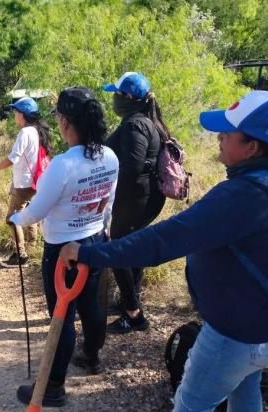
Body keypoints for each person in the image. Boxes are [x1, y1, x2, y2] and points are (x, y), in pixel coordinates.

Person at [59, 90, 268, 412]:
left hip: (236, 337)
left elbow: (163, 241)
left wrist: (90, 253)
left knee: (189, 411)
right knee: (245, 387)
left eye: (227, 133)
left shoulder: (242, 196)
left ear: (253, 147)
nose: (219, 138)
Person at [11, 87, 119, 406]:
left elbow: (37, 211)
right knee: (90, 305)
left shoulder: (63, 164)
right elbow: (108, 201)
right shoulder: (110, 156)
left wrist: (17, 216)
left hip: (62, 252)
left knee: (62, 315)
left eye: (59, 116)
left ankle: (54, 386)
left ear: (66, 122)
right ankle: (92, 356)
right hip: (95, 240)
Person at [101, 71, 168, 334]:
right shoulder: (145, 120)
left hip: (136, 198)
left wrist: (111, 200)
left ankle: (134, 314)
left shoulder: (134, 125)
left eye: (117, 94)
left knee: (117, 250)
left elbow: (132, 167)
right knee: (134, 248)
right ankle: (132, 300)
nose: (114, 99)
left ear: (128, 97)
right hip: (145, 198)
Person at [0, 97, 52, 266]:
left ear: (22, 115)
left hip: (23, 184)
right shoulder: (37, 131)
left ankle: (21, 255)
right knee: (30, 215)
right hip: (35, 182)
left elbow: (13, 158)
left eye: (15, 112)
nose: (14, 115)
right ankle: (31, 248)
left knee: (12, 219)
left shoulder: (25, 132)